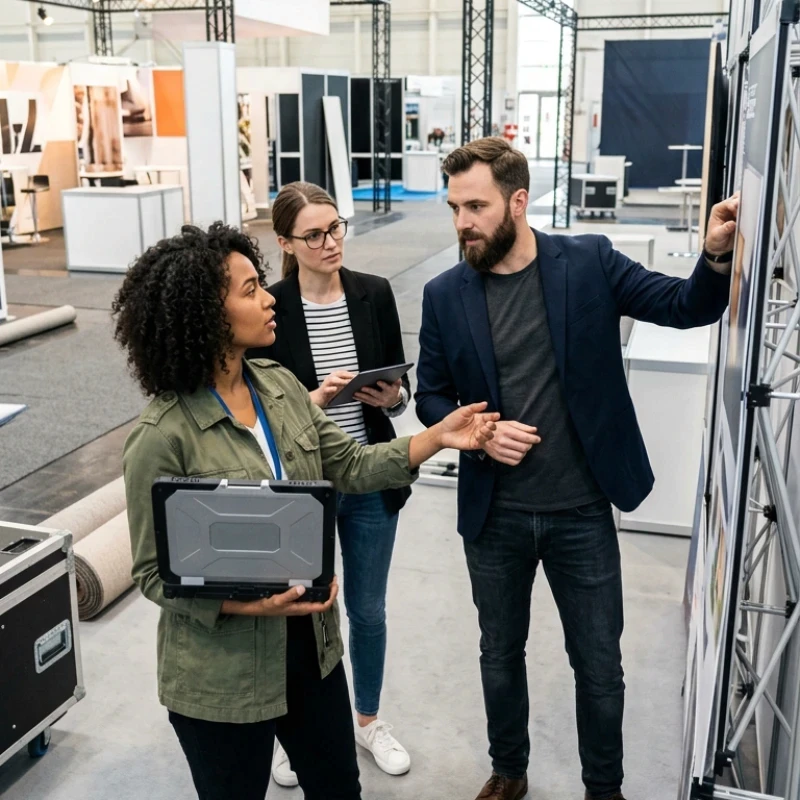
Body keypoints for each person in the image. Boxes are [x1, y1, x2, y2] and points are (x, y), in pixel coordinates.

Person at [114, 222, 499, 800]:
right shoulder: (161, 435)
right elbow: (152, 574)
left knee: (339, 787)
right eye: (250, 290)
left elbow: (352, 464)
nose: (269, 299)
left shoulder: (280, 387)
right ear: (206, 314)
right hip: (222, 677)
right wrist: (248, 605)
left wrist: (438, 436)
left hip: (312, 649)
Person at [414, 137, 739, 800]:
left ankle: (603, 787)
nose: (462, 222)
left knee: (598, 666)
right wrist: (477, 435)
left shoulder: (588, 261)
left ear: (518, 201)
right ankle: (509, 770)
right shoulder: (445, 294)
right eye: (454, 208)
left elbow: (688, 307)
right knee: (499, 655)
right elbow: (431, 396)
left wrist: (713, 255)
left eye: (475, 206)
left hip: (582, 511)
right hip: (495, 516)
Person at [247, 182, 413, 785]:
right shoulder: (269, 306)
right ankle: (295, 730)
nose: (329, 243)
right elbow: (260, 406)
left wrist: (394, 398)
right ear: (286, 243)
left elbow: (401, 390)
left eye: (335, 228)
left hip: (367, 475)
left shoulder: (374, 293)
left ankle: (367, 720)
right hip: (302, 486)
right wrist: (311, 400)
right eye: (313, 235)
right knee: (298, 613)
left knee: (367, 610)